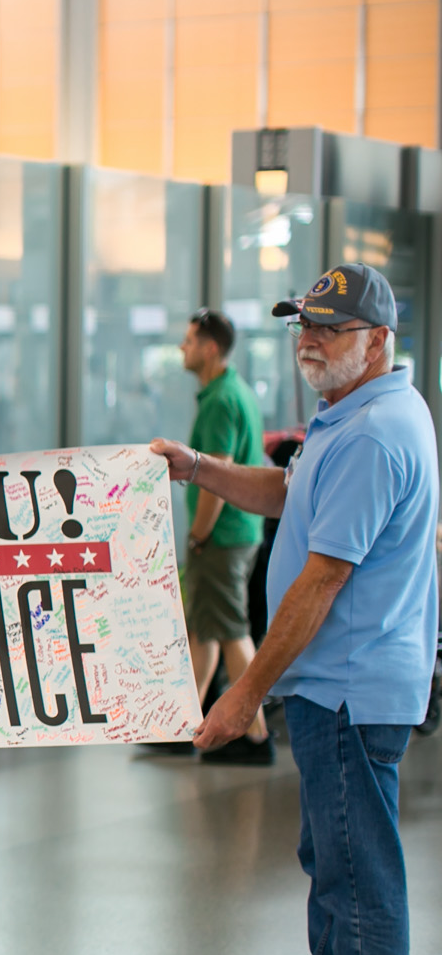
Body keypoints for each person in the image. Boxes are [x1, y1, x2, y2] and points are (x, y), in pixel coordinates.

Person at [153, 263, 436, 955]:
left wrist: (242, 699)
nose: (309, 341)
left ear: (378, 340)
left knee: (360, 875)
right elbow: (285, 491)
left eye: (330, 328)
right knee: (332, 862)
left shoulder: (377, 433)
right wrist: (199, 468)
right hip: (336, 687)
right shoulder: (351, 415)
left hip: (348, 688)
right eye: (303, 325)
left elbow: (320, 582)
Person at [175, 308, 272, 765]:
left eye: (190, 340)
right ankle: (186, 725)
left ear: (210, 348)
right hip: (240, 533)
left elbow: (215, 475)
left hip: (223, 536)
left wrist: (197, 535)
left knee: (231, 631)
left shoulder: (219, 402)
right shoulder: (236, 391)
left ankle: (255, 736)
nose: (183, 347)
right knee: (206, 630)